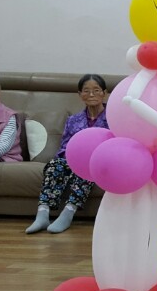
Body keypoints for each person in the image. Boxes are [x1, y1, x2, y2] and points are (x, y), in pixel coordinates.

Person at [25, 74, 109, 234]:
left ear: (104, 93)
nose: (91, 94)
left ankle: (68, 212)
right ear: (80, 94)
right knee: (55, 164)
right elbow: (65, 147)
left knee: (86, 169)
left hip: (100, 161)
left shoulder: (112, 117)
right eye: (86, 91)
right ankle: (42, 214)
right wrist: (70, 159)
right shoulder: (73, 120)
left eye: (96, 90)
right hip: (74, 160)